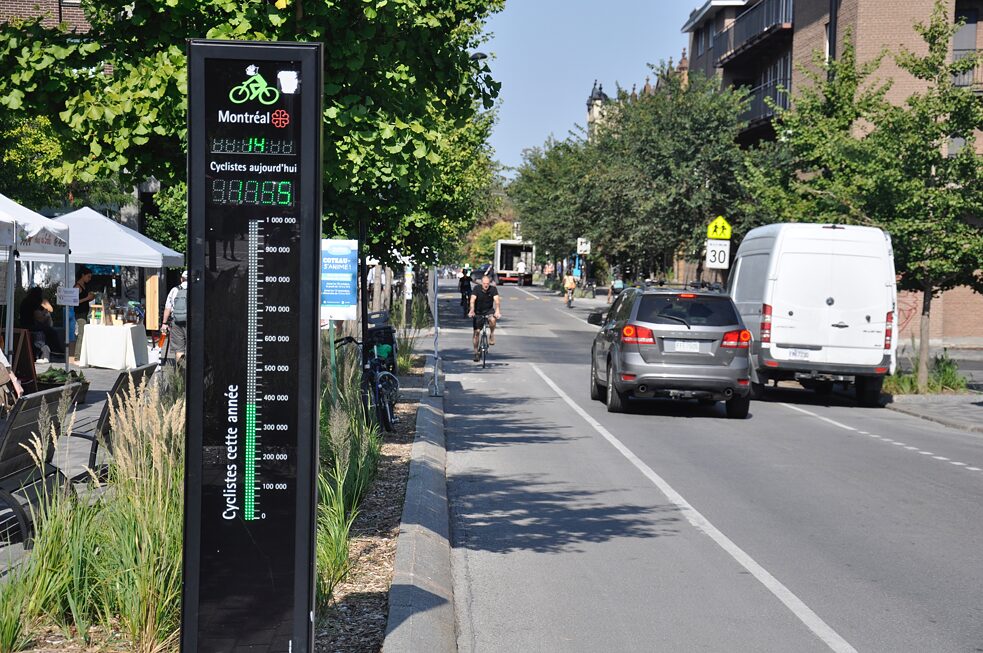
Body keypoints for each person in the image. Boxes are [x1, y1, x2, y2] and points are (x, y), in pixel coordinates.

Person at [19, 287, 65, 359]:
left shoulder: (26, 301)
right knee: (52, 332)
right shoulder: (33, 302)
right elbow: (39, 317)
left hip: (24, 324)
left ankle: (52, 351)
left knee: (48, 330)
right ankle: (56, 351)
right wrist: (44, 312)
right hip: (30, 326)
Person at [468, 275, 501, 361]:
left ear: (489, 283)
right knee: (476, 333)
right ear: (481, 283)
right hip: (478, 312)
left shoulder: (493, 289)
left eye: (487, 284)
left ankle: (492, 334)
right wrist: (472, 310)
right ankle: (476, 353)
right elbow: (472, 300)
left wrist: (497, 311)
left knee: (493, 319)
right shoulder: (476, 288)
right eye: (484, 283)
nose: (486, 285)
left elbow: (497, 301)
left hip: (489, 311)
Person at [161, 270, 189, 364]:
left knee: (179, 349)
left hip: (176, 322)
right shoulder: (196, 290)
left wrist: (164, 323)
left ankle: (180, 373)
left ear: (181, 279)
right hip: (192, 322)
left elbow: (167, 308)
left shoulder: (174, 290)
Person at [73, 267, 96, 358]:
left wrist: (90, 297)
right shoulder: (77, 287)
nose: (89, 279)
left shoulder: (84, 286)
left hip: (84, 311)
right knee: (81, 333)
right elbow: (75, 301)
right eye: (88, 276)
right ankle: (77, 355)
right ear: (83, 275)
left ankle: (80, 354)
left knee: (83, 333)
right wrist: (87, 298)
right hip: (80, 313)